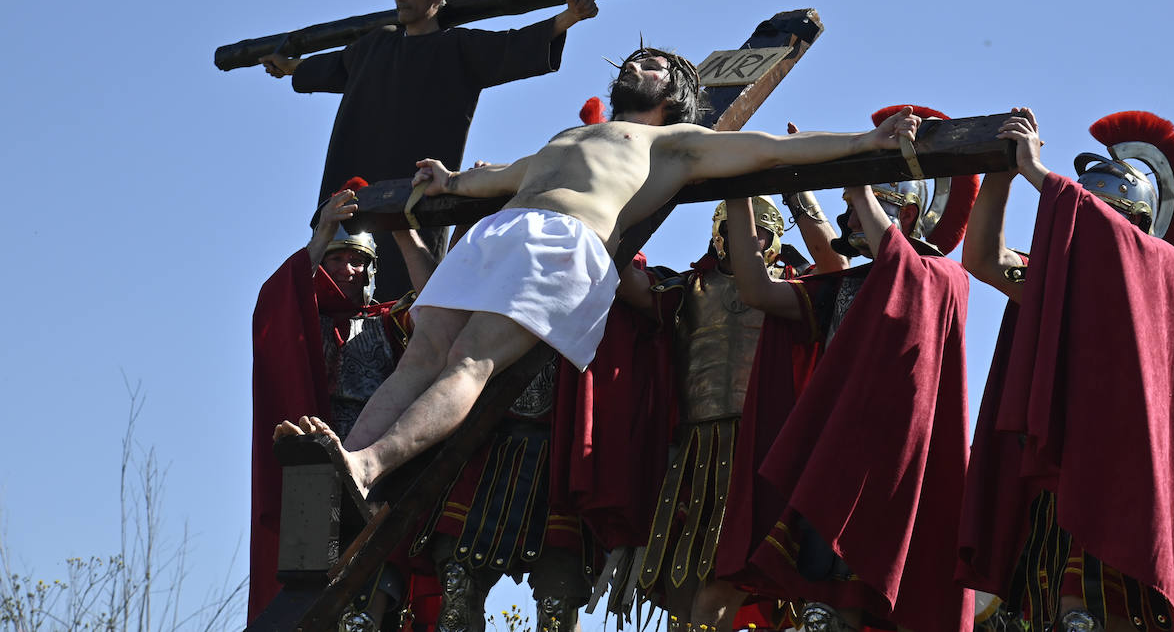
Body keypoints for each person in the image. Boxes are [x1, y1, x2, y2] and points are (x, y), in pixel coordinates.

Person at [274, 47, 922, 513]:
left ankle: (371, 463)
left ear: (674, 95)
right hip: (498, 235)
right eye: (636, 62)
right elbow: (497, 177)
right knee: (417, 357)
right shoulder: (569, 135)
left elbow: (775, 151)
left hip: (564, 244)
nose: (637, 65)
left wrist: (867, 143)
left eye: (655, 66)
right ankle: (342, 467)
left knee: (468, 361)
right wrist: (449, 181)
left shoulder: (673, 144)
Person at [720, 103, 978, 632]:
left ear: (900, 212)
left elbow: (899, 266)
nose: (849, 214)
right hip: (831, 456)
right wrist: (738, 190)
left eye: (860, 204)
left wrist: (862, 169)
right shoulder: (842, 286)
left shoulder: (939, 278)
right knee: (819, 607)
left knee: (855, 606)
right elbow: (756, 290)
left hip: (889, 469)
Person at [956, 109, 1174, 632]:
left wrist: (1037, 171)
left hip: (1116, 480)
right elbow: (981, 260)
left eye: (1090, 213)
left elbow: (1112, 244)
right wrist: (1003, 175)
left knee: (1089, 616)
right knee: (1041, 615)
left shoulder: (1162, 273)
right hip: (1053, 474)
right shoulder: (1057, 280)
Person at [261, 0, 599, 301]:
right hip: (356, 184)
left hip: (417, 189)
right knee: (341, 279)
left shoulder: (456, 48)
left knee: (410, 287)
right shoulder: (374, 46)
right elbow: (332, 67)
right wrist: (290, 68)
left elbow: (511, 45)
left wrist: (570, 17)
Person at [615, 194, 843, 631]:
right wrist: (621, 209)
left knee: (739, 578)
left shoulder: (794, 288)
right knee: (684, 580)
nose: (749, 237)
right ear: (716, 234)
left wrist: (799, 197)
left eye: (764, 231)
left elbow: (837, 267)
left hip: (766, 452)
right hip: (693, 452)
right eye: (737, 228)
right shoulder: (687, 287)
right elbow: (629, 283)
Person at [248, 182, 436, 621]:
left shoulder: (393, 324)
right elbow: (274, 307)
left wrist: (402, 230)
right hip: (315, 474)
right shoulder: (303, 323)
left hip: (378, 475)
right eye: (338, 258)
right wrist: (322, 235)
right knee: (309, 592)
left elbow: (440, 304)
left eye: (359, 261)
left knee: (376, 587)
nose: (350, 269)